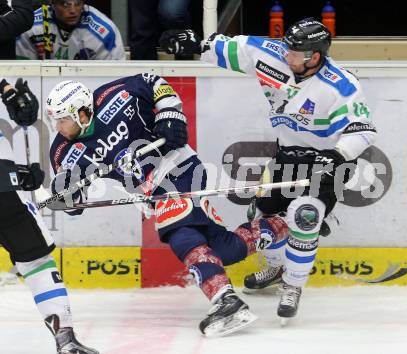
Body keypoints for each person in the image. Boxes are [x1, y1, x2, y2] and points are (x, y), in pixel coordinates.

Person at [159, 18, 378, 324]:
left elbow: (362, 130)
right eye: (287, 47)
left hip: (329, 160)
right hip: (288, 155)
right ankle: (276, 269)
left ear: (313, 57)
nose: (286, 54)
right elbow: (234, 48)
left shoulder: (341, 85)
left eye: (294, 51)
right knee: (264, 218)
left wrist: (337, 156)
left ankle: (293, 284)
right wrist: (198, 44)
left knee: (305, 214)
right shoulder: (272, 54)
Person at [45, 73, 290, 336]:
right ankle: (286, 225)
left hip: (179, 167)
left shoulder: (115, 94)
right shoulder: (62, 152)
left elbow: (153, 80)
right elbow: (73, 206)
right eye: (55, 121)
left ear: (82, 113)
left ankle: (225, 299)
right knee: (223, 250)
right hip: (151, 191)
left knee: (180, 234)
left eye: (62, 119)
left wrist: (169, 112)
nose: (58, 127)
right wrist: (66, 195)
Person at [0, 78, 99, 353]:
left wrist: (17, 172)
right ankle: (65, 339)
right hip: (4, 193)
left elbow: (21, 110)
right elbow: (23, 109)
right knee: (35, 261)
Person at [16, 0, 125, 60]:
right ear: (52, 3)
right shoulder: (31, 28)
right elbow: (25, 71)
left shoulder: (104, 32)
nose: (73, 10)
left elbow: (113, 77)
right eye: (65, 4)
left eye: (78, 3)